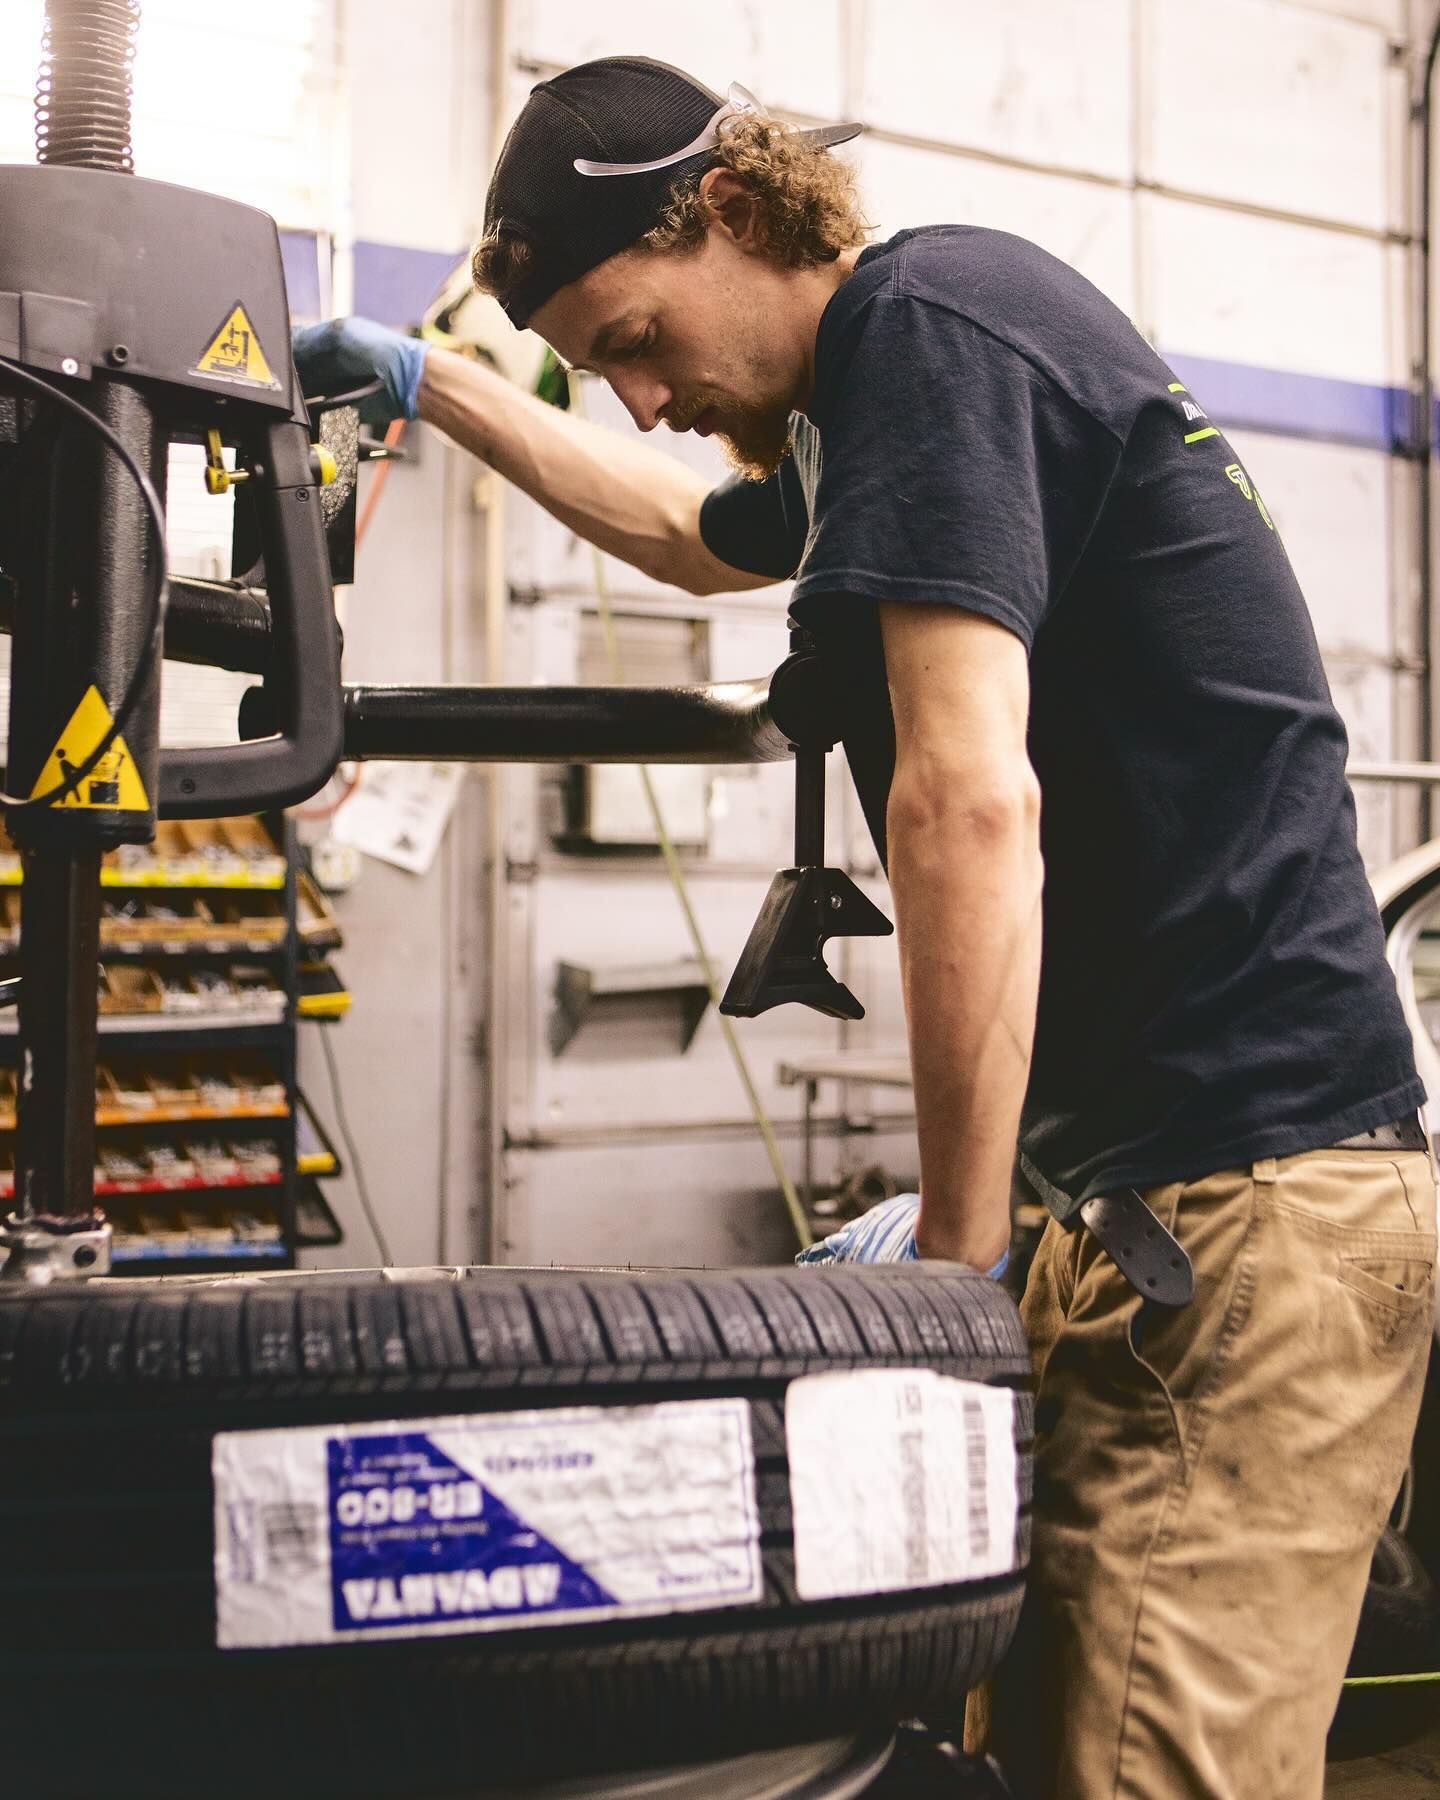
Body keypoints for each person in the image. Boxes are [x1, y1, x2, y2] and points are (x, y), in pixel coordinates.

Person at [293, 56, 1437, 1799]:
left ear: (736, 215)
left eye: (637, 336)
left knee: (1149, 1774)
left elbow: (968, 803)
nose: (642, 392)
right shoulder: (870, 403)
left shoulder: (930, 327)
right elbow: (686, 536)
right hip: (1156, 1194)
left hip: (1251, 1195)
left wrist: (956, 1262)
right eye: (602, 365)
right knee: (1045, 1735)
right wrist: (432, 383)